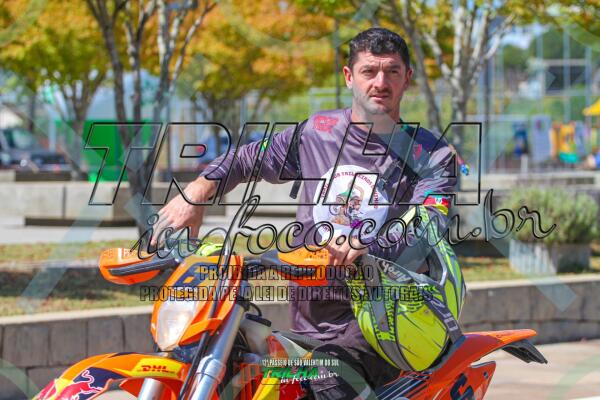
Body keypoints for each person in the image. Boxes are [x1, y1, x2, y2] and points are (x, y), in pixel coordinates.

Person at [152, 27, 457, 399]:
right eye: (369, 71)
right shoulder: (318, 133)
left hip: (385, 322)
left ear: (407, 77)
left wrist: (368, 244)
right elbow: (249, 158)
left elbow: (429, 224)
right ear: (349, 76)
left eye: (392, 71)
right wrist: (198, 191)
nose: (380, 82)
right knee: (240, 372)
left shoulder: (432, 153)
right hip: (309, 316)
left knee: (326, 377)